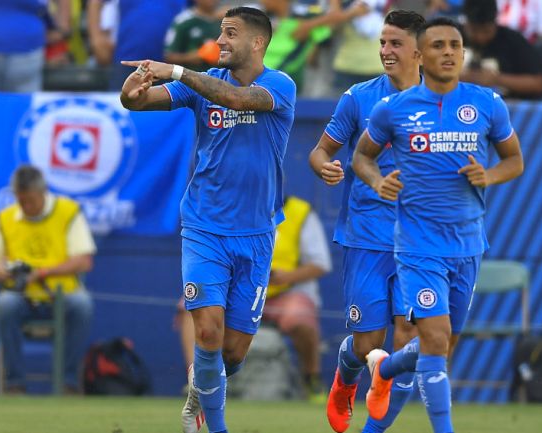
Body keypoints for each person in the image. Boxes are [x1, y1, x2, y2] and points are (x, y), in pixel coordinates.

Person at [118, 7, 296, 433]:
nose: (220, 41)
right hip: (204, 228)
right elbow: (137, 102)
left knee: (231, 353)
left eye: (230, 34)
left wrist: (176, 70)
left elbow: (234, 99)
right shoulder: (202, 85)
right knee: (209, 333)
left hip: (256, 234)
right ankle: (212, 428)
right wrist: (131, 91)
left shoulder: (279, 85)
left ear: (257, 42)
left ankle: (203, 384)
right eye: (220, 32)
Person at [352, 17, 524, 433]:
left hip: (468, 244)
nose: (448, 52)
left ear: (463, 53)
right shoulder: (394, 109)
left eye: (455, 45)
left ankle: (387, 370)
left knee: (440, 346)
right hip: (417, 246)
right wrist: (378, 181)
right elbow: (361, 157)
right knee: (433, 340)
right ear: (421, 56)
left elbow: (514, 161)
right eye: (439, 46)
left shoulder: (487, 103)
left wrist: (489, 175)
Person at [309, 9, 423, 433]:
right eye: (382, 42)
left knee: (411, 339)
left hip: (419, 241)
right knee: (367, 345)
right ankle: (345, 376)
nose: (385, 51)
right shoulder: (358, 97)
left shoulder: (444, 103)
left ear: (419, 50)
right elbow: (320, 151)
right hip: (367, 235)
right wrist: (325, 166)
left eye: (395, 43)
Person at [176, 195, 332, 401]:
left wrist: (285, 276)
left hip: (284, 292)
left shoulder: (300, 212)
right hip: (241, 287)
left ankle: (311, 378)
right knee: (191, 305)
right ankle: (198, 379)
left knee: (300, 316)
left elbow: (321, 264)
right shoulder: (233, 207)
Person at [0, 165, 95, 394]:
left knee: (82, 305)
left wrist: (42, 273)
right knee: (5, 304)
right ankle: (14, 384)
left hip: (61, 296)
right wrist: (0, 271)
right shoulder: (5, 218)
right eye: (20, 200)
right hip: (21, 297)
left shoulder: (68, 211)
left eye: (30, 200)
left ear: (44, 192)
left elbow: (84, 261)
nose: (26, 206)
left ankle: (68, 383)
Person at [461, 0, 542, 100]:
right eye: (474, 31)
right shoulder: (452, 36)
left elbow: (538, 84)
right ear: (466, 24)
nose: (480, 37)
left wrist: (497, 79)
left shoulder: (512, 40)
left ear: (495, 23)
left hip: (506, 108)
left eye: (486, 31)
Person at [164, 0, 224, 73]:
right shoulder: (184, 21)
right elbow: (168, 56)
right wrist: (195, 56)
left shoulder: (226, 19)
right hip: (191, 79)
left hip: (221, 79)